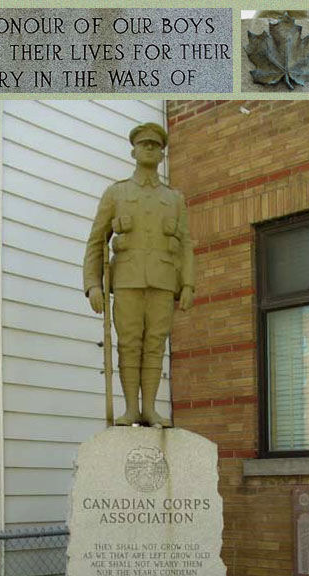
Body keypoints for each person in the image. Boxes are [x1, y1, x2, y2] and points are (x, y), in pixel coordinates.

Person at [83, 122, 194, 427]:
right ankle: (131, 408)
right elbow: (96, 240)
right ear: (133, 151)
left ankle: (150, 409)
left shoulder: (175, 199)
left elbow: (185, 243)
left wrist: (188, 283)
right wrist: (93, 284)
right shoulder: (116, 193)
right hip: (127, 281)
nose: (149, 149)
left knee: (156, 344)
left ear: (162, 153)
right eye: (143, 144)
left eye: (155, 145)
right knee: (129, 344)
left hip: (162, 281)